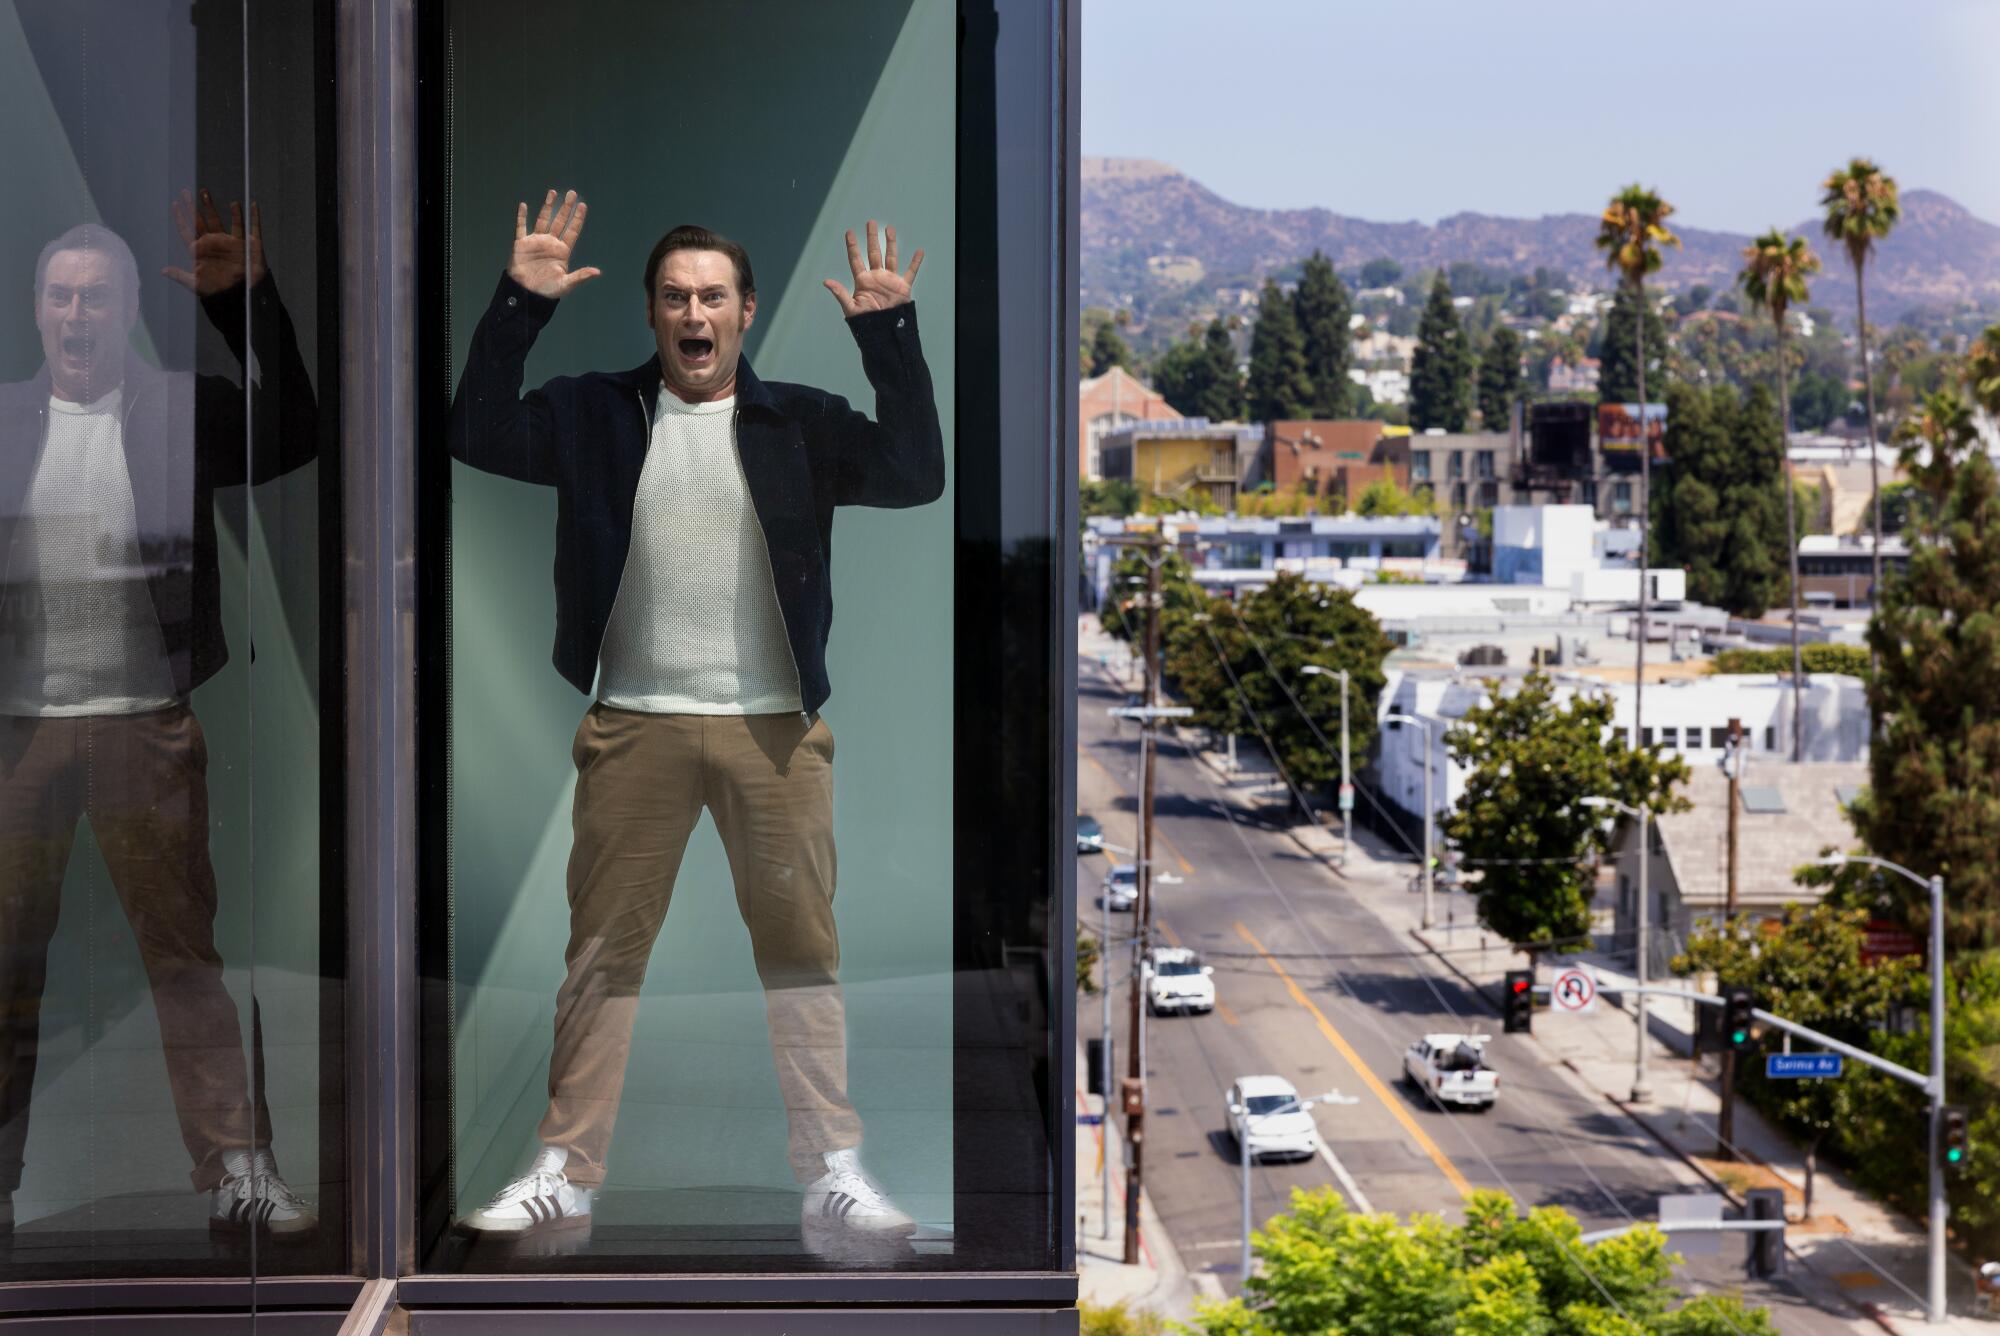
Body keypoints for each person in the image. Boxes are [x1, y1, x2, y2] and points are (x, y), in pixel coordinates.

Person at [449, 191, 942, 1258]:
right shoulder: (592, 413)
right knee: (598, 959)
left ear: (746, 311)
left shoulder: (798, 423)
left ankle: (830, 1174)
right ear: (650, 314)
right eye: (675, 297)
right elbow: (475, 430)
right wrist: (517, 307)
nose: (694, 313)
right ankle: (563, 1176)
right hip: (635, 729)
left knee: (800, 957)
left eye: (712, 295)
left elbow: (914, 474)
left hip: (774, 734)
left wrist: (887, 337)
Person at [0, 194, 319, 1243]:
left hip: (145, 721)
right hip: (18, 730)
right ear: (36, 311)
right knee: (4, 963)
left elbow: (296, 432)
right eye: (60, 295)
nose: (77, 312)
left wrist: (249, 305)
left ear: (128, 308)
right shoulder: (2, 420)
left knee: (184, 960)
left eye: (97, 295)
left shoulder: (179, 405)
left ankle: (239, 1166)